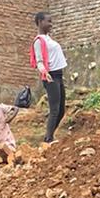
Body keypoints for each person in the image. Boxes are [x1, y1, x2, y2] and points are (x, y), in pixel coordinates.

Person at [31, 12, 67, 144]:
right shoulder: (38, 41)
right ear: (40, 22)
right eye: (48, 21)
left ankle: (49, 135)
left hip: (58, 75)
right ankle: (48, 139)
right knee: (55, 109)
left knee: (61, 110)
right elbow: (39, 61)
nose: (51, 24)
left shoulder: (48, 39)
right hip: (51, 76)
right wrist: (44, 73)